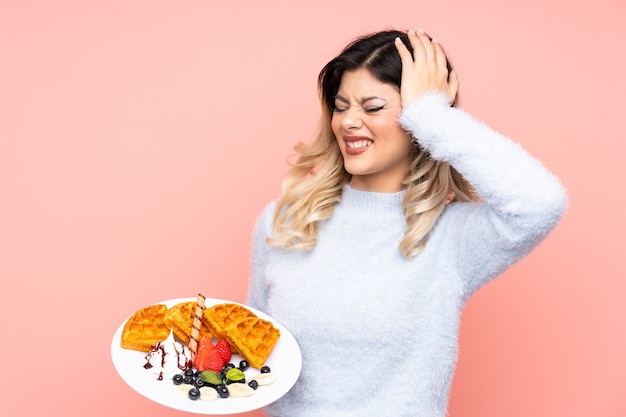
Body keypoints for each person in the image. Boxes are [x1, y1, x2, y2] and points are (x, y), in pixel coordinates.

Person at [246, 28, 567, 417]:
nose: (348, 121)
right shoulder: (286, 220)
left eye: (373, 107)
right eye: (341, 105)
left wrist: (432, 115)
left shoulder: (450, 235)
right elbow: (256, 352)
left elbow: (540, 202)